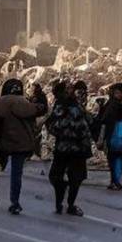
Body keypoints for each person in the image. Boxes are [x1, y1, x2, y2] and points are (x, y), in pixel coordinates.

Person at [0, 78, 46, 215]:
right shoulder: (25, 103)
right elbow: (40, 110)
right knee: (16, 174)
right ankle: (15, 202)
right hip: (22, 144)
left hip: (3, 143)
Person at [45, 81, 93, 216]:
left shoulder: (64, 108)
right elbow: (86, 127)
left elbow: (52, 126)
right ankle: (68, 204)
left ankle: (63, 203)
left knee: (60, 177)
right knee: (74, 178)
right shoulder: (73, 108)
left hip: (65, 148)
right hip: (75, 149)